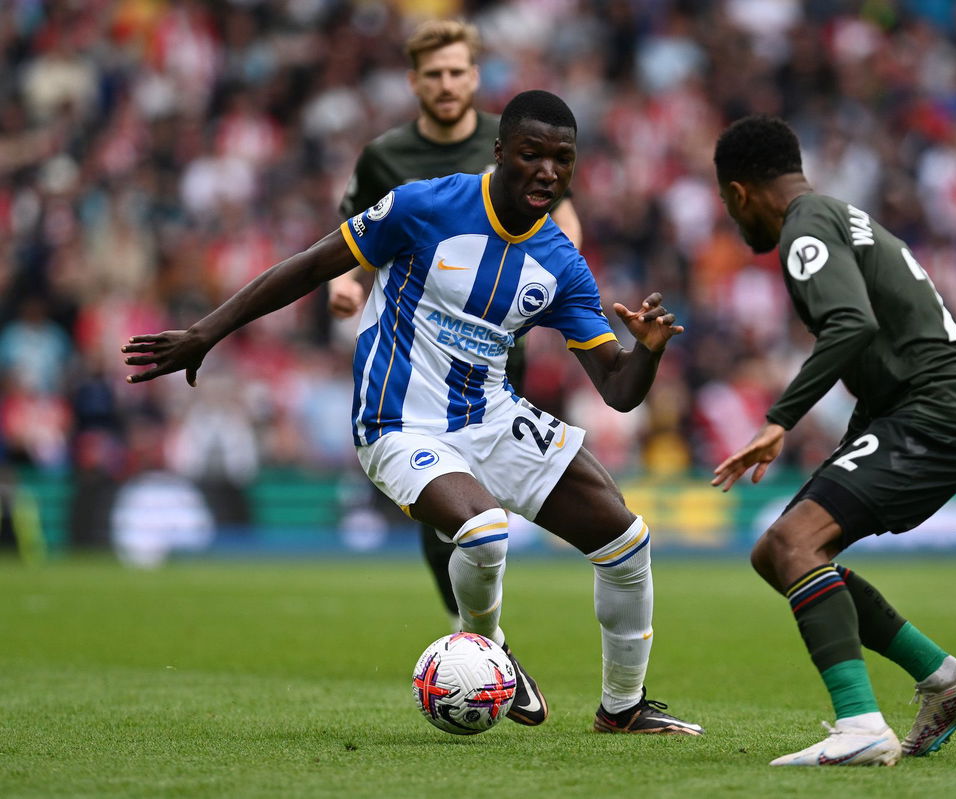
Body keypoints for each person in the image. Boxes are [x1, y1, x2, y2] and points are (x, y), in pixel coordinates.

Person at [123, 90, 703, 736]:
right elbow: (313, 265)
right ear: (499, 152)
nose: (546, 171)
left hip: (490, 415)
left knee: (626, 541)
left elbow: (618, 389)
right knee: (483, 532)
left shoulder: (561, 263)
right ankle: (488, 654)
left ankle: (622, 707)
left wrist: (645, 352)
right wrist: (207, 331)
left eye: (561, 159)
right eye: (531, 154)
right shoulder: (425, 206)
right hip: (398, 423)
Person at [710, 116, 956, 766]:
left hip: (938, 411)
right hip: (923, 408)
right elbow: (879, 348)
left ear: (738, 194)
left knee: (795, 542)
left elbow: (851, 324)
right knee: (776, 551)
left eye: (730, 209)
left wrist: (779, 419)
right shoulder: (839, 215)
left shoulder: (803, 229)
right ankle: (946, 678)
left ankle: (860, 724)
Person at [330, 19, 582, 631]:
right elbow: (354, 236)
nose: (446, 84)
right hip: (416, 362)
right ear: (415, 82)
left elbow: (564, 225)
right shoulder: (386, 158)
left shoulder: (513, 144)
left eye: (457, 72)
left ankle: (478, 634)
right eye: (434, 74)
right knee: (451, 512)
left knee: (488, 509)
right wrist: (348, 282)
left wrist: (551, 291)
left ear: (475, 76)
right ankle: (476, 637)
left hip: (496, 361)